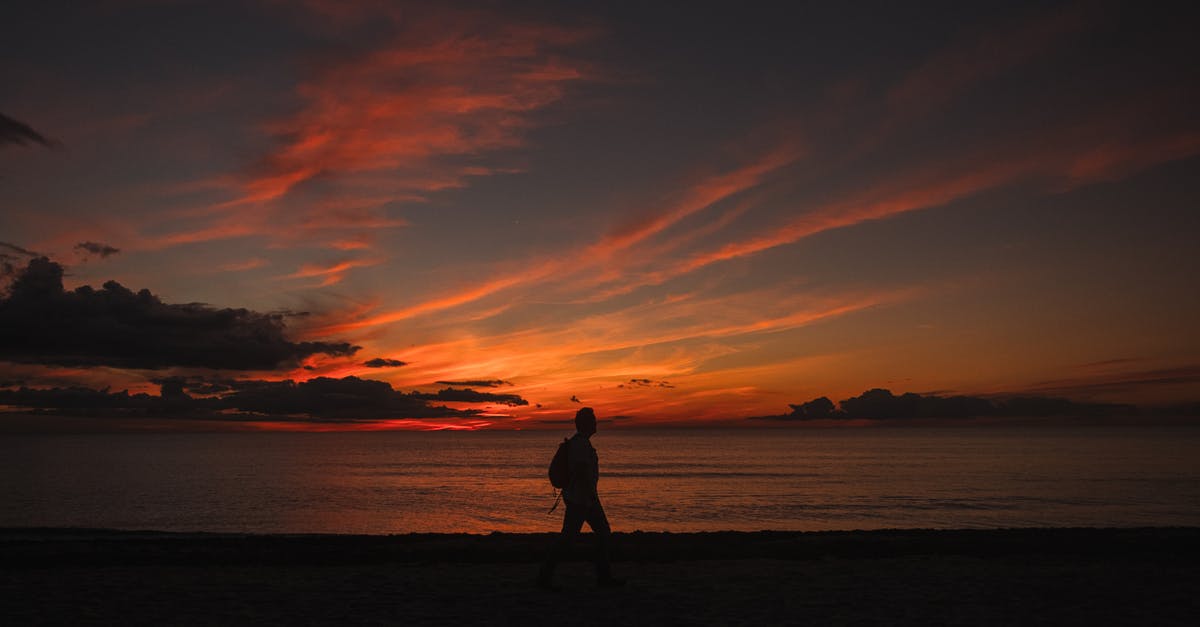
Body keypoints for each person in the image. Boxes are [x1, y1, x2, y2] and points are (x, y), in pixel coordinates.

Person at [538, 407, 625, 589]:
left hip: (580, 498)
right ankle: (601, 577)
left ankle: (601, 576)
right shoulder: (581, 445)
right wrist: (592, 496)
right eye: (593, 420)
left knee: (583, 536)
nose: (596, 423)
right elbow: (582, 472)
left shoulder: (580, 443)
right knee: (588, 536)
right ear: (586, 424)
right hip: (581, 499)